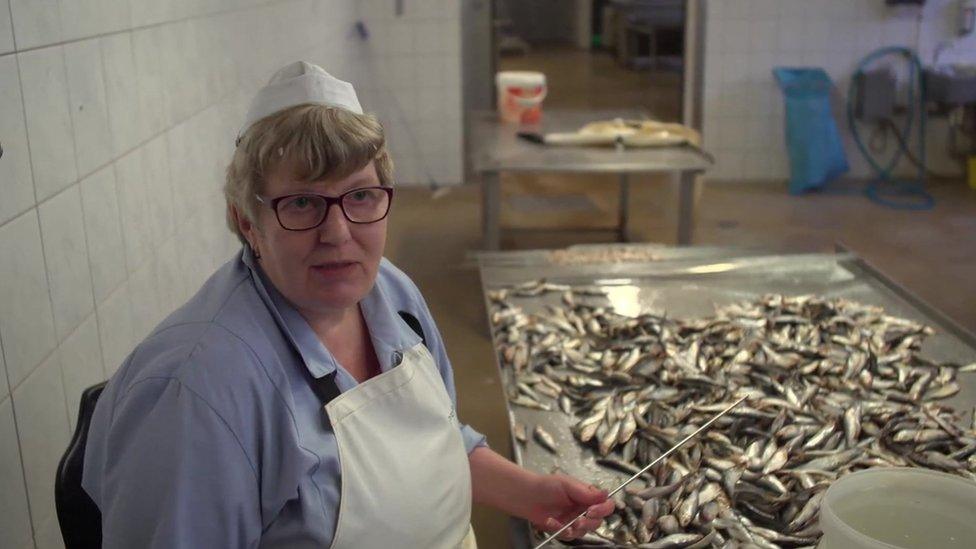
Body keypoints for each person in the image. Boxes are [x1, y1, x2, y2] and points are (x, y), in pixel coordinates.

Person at [82, 61, 613, 548]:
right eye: (302, 203)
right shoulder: (199, 394)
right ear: (249, 221)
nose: (338, 234)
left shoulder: (391, 292)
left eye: (360, 196)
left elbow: (434, 444)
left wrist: (529, 495)